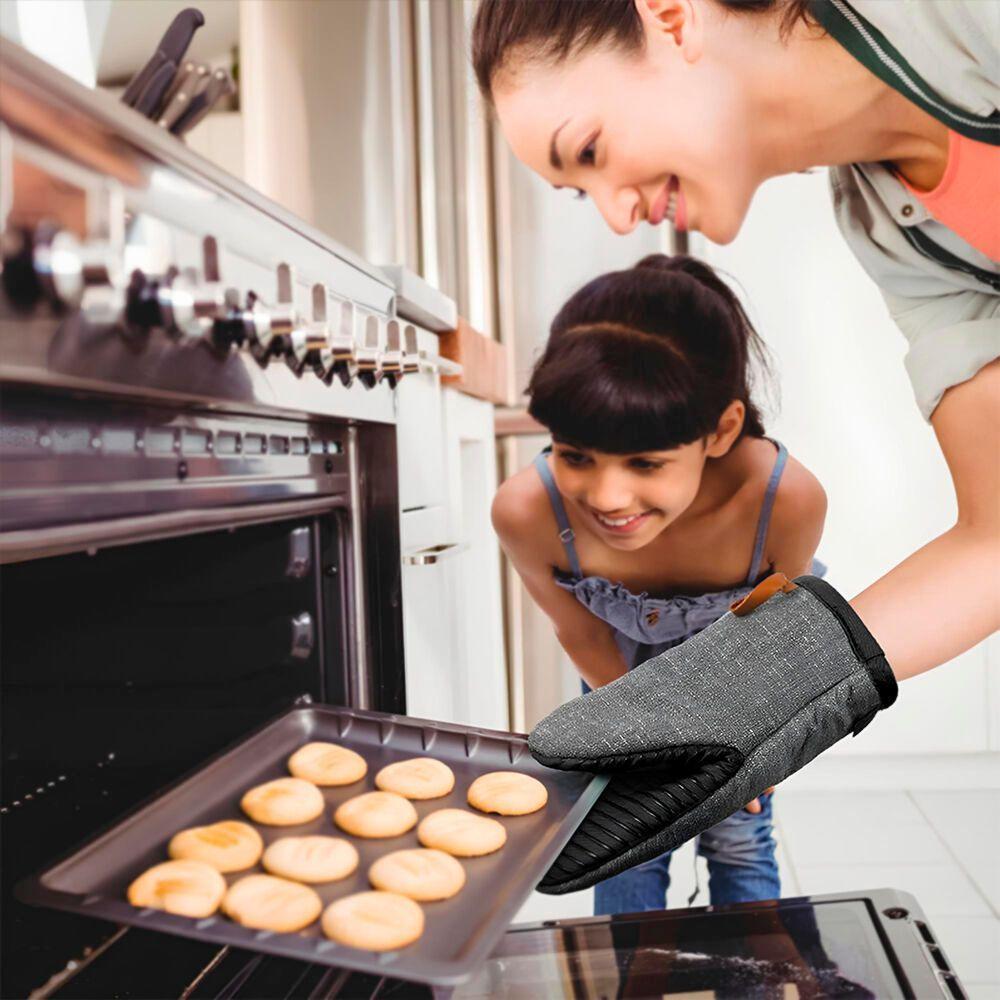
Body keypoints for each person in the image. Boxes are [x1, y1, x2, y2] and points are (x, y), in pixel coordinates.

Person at [472, 0, 999, 895]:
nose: (614, 215)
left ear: (671, 17)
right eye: (577, 191)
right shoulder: (889, 225)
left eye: (590, 150)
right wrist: (759, 690)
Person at [493, 253, 827, 912]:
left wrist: (742, 740)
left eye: (646, 462)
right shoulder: (527, 511)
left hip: (741, 679)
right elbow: (581, 631)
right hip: (619, 681)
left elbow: (776, 628)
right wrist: (642, 738)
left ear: (720, 431)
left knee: (739, 835)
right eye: (576, 455)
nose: (607, 496)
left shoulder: (783, 499)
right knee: (623, 842)